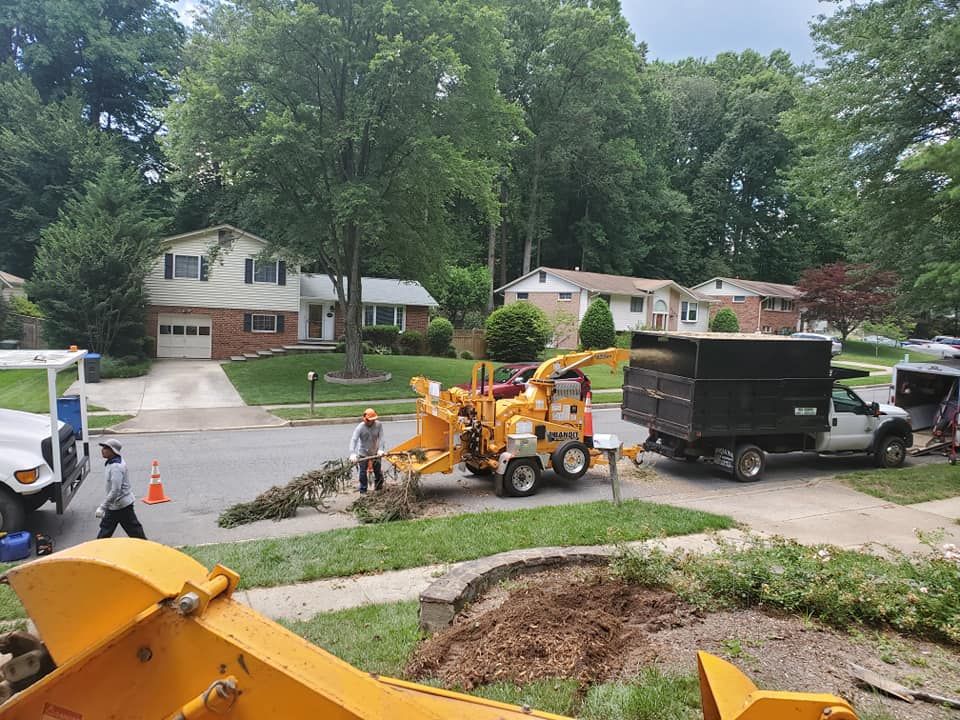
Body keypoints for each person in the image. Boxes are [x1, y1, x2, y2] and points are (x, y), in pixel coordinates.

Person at [96, 439, 147, 539]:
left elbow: (115, 491)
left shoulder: (116, 467)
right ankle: (147, 548)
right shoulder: (112, 462)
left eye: (106, 448)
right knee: (134, 531)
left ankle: (147, 549)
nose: (102, 450)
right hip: (118, 505)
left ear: (113, 451)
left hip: (120, 505)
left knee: (107, 532)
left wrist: (103, 507)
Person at [348, 408, 386, 493]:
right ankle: (363, 490)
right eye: (369, 420)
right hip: (363, 453)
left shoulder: (378, 425)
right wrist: (352, 453)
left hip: (375, 452)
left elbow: (381, 438)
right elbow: (354, 440)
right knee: (362, 472)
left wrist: (380, 449)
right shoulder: (360, 427)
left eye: (373, 420)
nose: (371, 422)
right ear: (365, 419)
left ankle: (379, 488)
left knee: (377, 470)